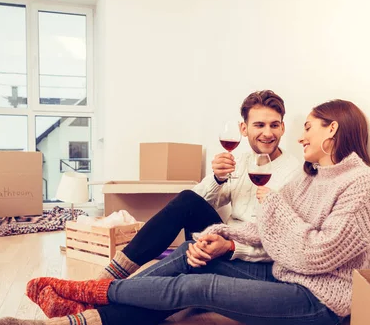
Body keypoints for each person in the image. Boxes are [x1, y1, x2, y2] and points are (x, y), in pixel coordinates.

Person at [0, 99, 370, 325]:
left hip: (319, 304)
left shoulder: (358, 183)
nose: (297, 135)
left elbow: (315, 254)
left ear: (332, 131)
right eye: (261, 124)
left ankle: (84, 293)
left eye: (306, 128)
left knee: (197, 288)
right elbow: (261, 224)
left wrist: (244, 236)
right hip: (283, 272)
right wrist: (221, 232)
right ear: (243, 129)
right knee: (186, 253)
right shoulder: (313, 174)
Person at [97, 89, 299, 280]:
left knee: (183, 258)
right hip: (224, 240)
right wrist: (217, 179)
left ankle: (115, 289)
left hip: (250, 257)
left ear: (282, 127)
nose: (267, 133)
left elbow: (282, 241)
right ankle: (113, 274)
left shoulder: (293, 172)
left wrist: (229, 245)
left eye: (274, 125)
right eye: (259, 125)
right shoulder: (242, 161)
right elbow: (196, 201)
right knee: (187, 200)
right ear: (243, 129)